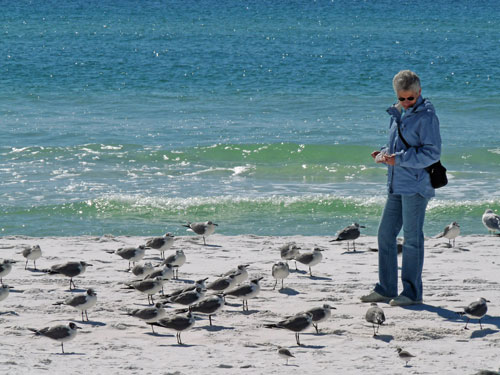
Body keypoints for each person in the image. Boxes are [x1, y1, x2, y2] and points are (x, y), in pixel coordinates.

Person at [361, 70, 441, 306]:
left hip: (416, 186)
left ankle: (412, 293)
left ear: (419, 93)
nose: (406, 102)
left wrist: (400, 159)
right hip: (396, 184)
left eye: (411, 98)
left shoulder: (427, 117)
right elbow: (397, 146)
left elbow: (431, 153)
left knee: (412, 239)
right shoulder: (396, 114)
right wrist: (384, 155)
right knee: (385, 235)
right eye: (402, 98)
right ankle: (386, 288)